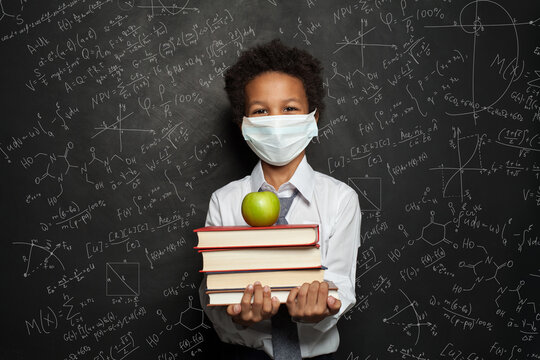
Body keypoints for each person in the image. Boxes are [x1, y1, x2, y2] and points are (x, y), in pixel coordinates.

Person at [199, 39, 361, 359]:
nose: (276, 121)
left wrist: (322, 309)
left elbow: (341, 283)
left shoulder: (340, 199)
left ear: (312, 119)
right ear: (244, 125)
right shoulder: (224, 201)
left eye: (290, 108)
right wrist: (236, 316)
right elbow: (211, 290)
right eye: (261, 111)